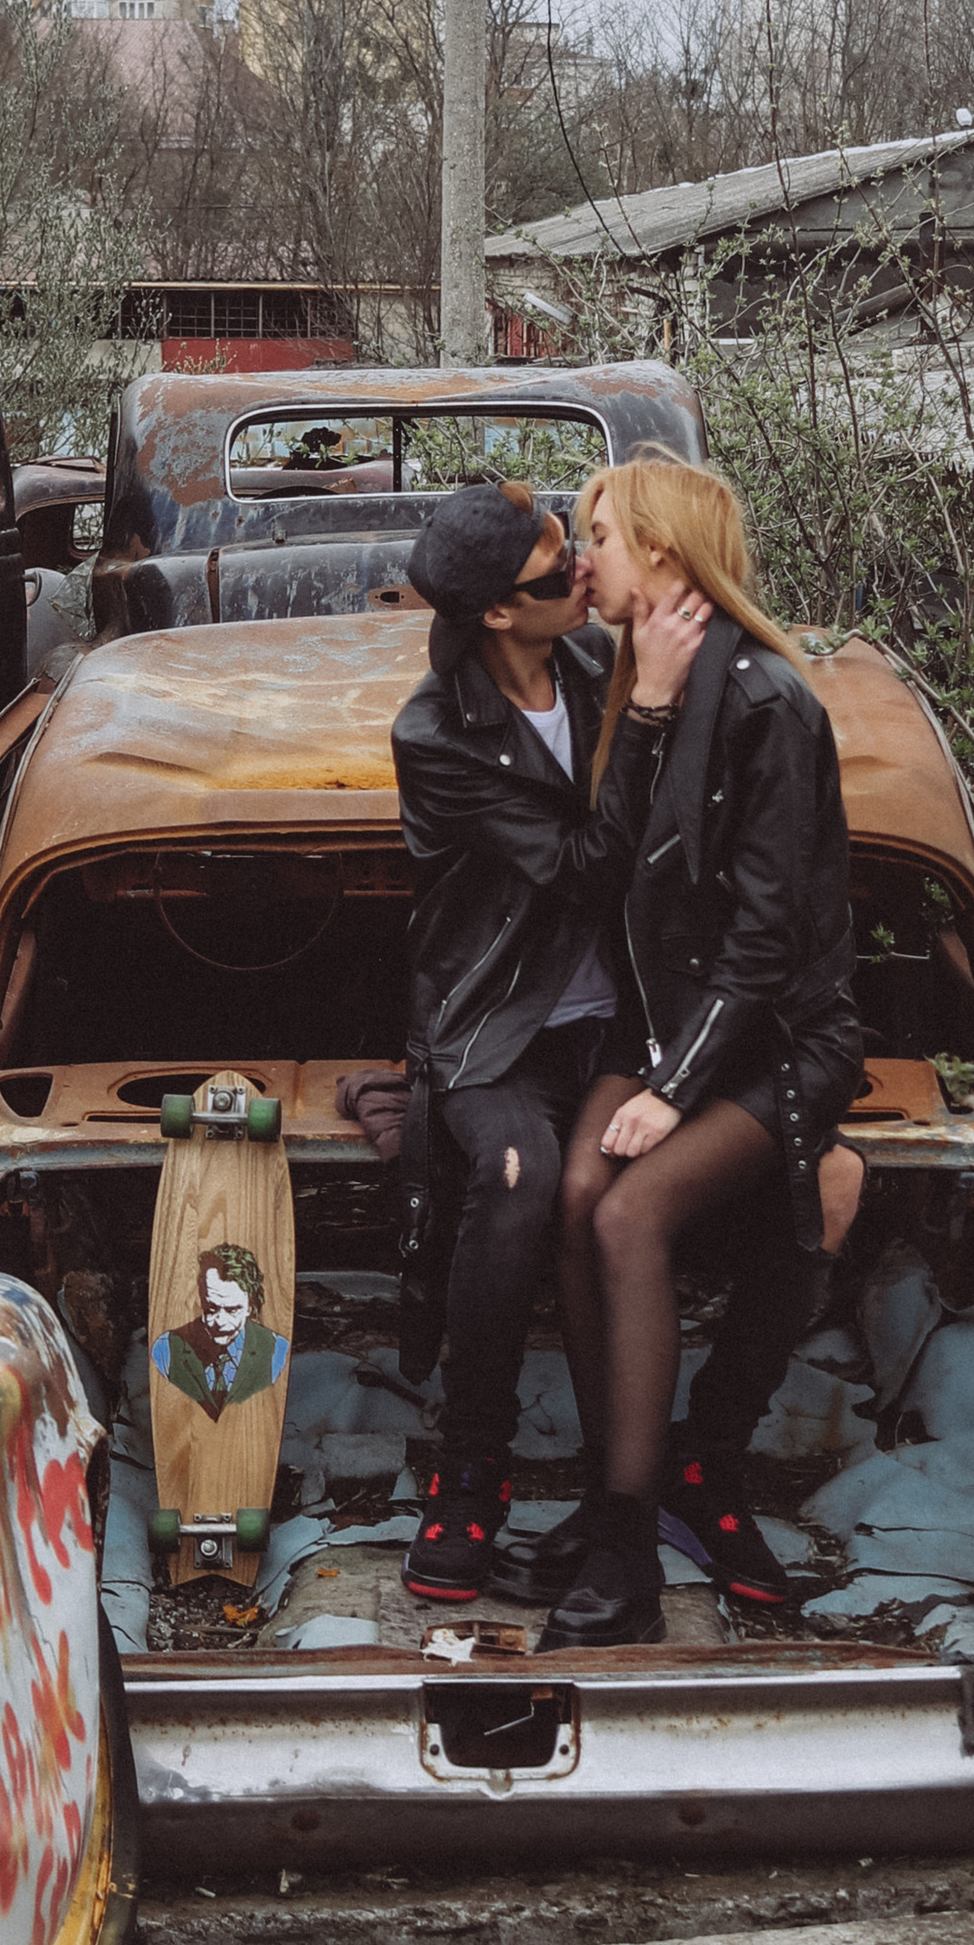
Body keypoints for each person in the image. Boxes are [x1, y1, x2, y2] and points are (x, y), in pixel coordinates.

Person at [513, 453, 863, 1651]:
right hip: (668, 1018)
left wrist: (671, 1091)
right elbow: (611, 870)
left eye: (600, 535)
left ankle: (624, 1548)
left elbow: (765, 937)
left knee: (627, 1213)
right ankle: (624, 1488)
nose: (582, 559)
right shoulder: (639, 674)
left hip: (776, 1038)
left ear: (662, 550)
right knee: (573, 1191)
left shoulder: (771, 702)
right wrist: (650, 713)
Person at [390, 479, 711, 1603]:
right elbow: (584, 868)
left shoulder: (588, 660)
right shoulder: (436, 733)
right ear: (494, 612)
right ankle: (472, 1466)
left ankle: (647, 1479)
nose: (581, 568)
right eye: (553, 567)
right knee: (519, 1174)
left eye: (577, 543)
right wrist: (652, 711)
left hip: (624, 1022)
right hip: (497, 1026)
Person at [152, 1243, 285, 1419]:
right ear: (201, 1298)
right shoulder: (166, 1349)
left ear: (250, 1306)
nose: (220, 1322)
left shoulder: (276, 1350)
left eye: (232, 1310)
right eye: (211, 1308)